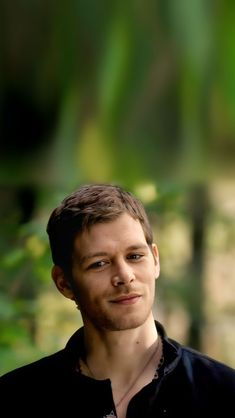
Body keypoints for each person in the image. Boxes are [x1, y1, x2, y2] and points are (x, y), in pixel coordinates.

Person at [0, 183, 235, 417]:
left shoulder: (224, 393)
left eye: (134, 256)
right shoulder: (15, 398)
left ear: (155, 260)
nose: (124, 276)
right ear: (64, 283)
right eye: (99, 264)